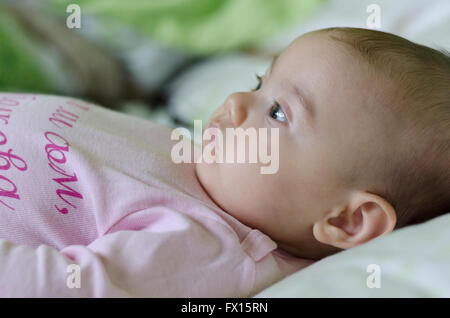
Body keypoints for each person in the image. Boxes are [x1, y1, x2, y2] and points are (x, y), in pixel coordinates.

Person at [0, 27, 448, 297]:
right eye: (259, 82)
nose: (236, 101)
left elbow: (49, 286)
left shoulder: (209, 251)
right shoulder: (210, 169)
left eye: (277, 113)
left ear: (349, 221)